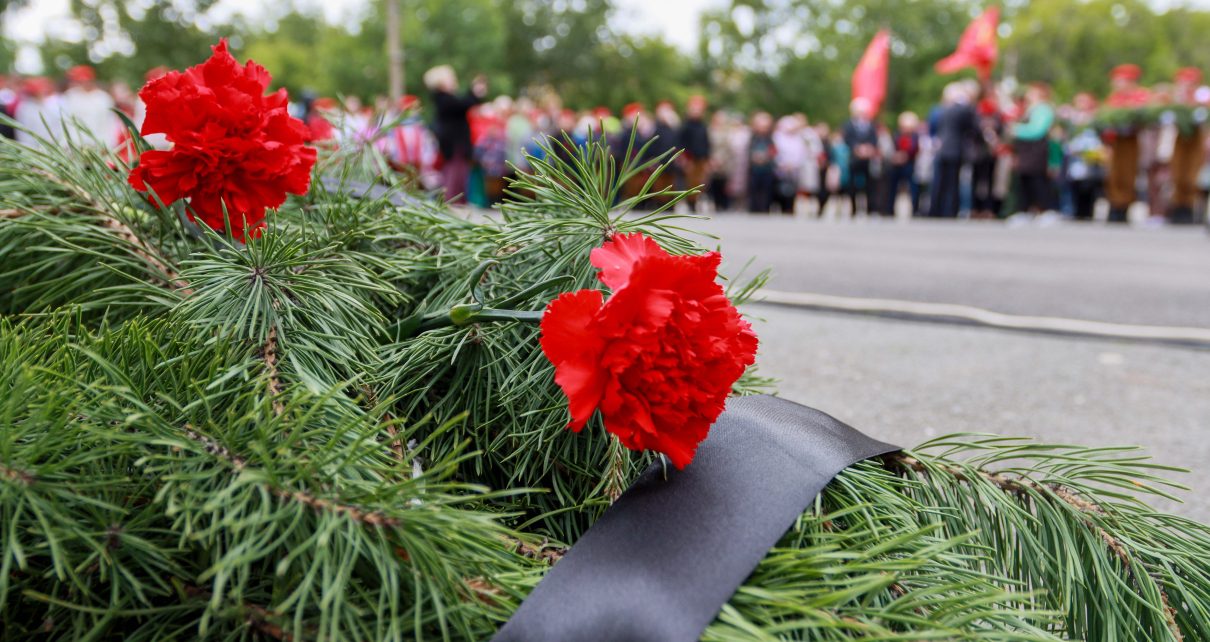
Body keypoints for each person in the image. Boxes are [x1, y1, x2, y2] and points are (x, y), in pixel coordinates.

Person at [426, 64, 487, 203]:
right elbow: (463, 104)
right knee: (455, 179)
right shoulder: (443, 99)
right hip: (454, 145)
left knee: (459, 177)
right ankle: (451, 205)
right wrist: (474, 92)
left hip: (455, 144)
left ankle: (454, 203)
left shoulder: (445, 99)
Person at [1103, 64, 1150, 222]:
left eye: (1120, 80)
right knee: (1113, 175)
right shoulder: (1114, 98)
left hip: (1131, 142)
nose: (1116, 84)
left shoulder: (1140, 97)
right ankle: (1115, 206)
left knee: (1128, 174)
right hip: (1115, 143)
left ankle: (1123, 207)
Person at [930, 82, 976, 218]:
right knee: (952, 183)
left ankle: (935, 210)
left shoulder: (940, 110)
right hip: (955, 150)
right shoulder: (964, 110)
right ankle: (949, 211)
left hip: (941, 148)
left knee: (938, 182)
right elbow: (973, 127)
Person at [1011, 83, 1056, 216]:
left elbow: (1037, 130)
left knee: (1037, 180)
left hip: (1036, 150)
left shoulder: (1043, 109)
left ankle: (1044, 209)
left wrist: (1016, 129)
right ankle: (1026, 209)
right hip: (1027, 151)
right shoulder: (1032, 109)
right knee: (1026, 181)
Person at [1168, 67, 1205, 224]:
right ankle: (1177, 207)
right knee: (1178, 173)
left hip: (1196, 141)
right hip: (1180, 139)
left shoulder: (1202, 97)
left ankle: (1190, 209)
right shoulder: (1176, 99)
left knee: (1192, 175)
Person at [1065, 92, 1106, 221]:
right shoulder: (1073, 118)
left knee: (1090, 183)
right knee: (1075, 183)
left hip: (1092, 154)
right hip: (1075, 154)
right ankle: (1076, 211)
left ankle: (1088, 212)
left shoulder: (1096, 118)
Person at [60, 65, 117, 148]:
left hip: (98, 143)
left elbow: (110, 122)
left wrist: (108, 144)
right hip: (75, 144)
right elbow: (65, 121)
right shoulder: (70, 96)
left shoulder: (103, 98)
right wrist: (65, 143)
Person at [842, 98, 879, 215]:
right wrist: (857, 148)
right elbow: (847, 139)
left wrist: (869, 149)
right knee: (852, 185)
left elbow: (874, 139)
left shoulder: (871, 125)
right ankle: (853, 209)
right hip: (854, 158)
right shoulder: (848, 125)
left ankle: (869, 209)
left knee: (869, 185)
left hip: (868, 159)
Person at [677, 95, 711, 211]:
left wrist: (707, 159)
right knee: (690, 182)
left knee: (699, 182)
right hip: (690, 158)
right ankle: (690, 203)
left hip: (701, 159)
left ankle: (696, 201)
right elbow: (681, 143)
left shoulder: (703, 126)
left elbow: (707, 143)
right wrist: (684, 159)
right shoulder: (685, 126)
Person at [884, 111, 921, 217]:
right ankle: (889, 209)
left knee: (913, 188)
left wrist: (906, 156)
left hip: (910, 164)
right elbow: (889, 148)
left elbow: (916, 149)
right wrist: (895, 156)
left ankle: (915, 210)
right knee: (892, 188)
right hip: (895, 165)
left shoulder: (915, 137)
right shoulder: (895, 135)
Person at [14, 77, 62, 149]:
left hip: (49, 147)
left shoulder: (46, 105)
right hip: (34, 149)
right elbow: (25, 134)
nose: (43, 92)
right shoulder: (25, 109)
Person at [746, 112, 777, 213]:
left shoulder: (770, 139)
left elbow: (773, 151)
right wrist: (754, 158)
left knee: (766, 189)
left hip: (767, 168)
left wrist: (766, 158)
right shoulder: (753, 138)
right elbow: (748, 150)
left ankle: (765, 208)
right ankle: (754, 208)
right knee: (754, 189)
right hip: (755, 168)